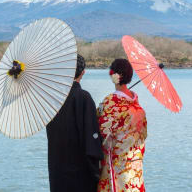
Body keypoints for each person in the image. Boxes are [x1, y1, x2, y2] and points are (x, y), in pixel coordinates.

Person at [46, 54, 104, 192]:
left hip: (57, 173)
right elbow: (91, 141)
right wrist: (97, 173)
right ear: (83, 72)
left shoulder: (52, 99)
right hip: (80, 175)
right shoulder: (83, 98)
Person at [97, 59, 148, 192]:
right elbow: (143, 136)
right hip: (135, 166)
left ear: (114, 76)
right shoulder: (138, 107)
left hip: (116, 165)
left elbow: (100, 130)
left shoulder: (110, 103)